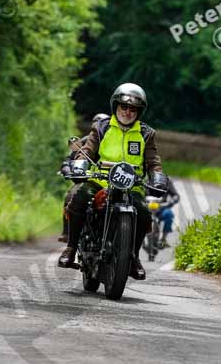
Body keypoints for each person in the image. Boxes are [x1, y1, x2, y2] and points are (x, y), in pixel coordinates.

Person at [58, 83, 167, 280]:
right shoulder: (102, 126)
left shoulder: (146, 133)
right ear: (115, 106)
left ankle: (132, 257)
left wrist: (158, 178)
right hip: (101, 181)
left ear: (139, 112)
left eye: (133, 109)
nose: (127, 112)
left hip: (130, 186)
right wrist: (79, 165)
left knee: (143, 212)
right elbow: (89, 149)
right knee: (80, 195)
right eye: (124, 107)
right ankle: (71, 247)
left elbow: (153, 161)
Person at [58, 113, 110, 243]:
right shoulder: (86, 141)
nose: (99, 126)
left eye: (102, 123)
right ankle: (67, 233)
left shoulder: (114, 141)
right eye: (96, 122)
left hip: (110, 181)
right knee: (71, 196)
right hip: (87, 178)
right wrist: (67, 168)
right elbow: (70, 158)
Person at [158, 178, 180, 248]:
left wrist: (173, 200)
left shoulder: (166, 181)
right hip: (148, 207)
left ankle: (163, 239)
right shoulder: (146, 180)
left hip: (162, 207)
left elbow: (175, 195)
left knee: (169, 214)